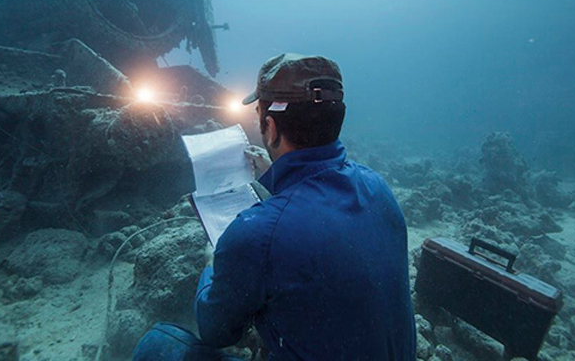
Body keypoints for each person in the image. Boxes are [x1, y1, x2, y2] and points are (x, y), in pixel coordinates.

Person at [135, 53, 416, 360]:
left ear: (269, 127)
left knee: (157, 345)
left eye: (258, 114)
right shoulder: (378, 187)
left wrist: (212, 264)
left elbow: (216, 330)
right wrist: (274, 173)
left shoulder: (255, 233)